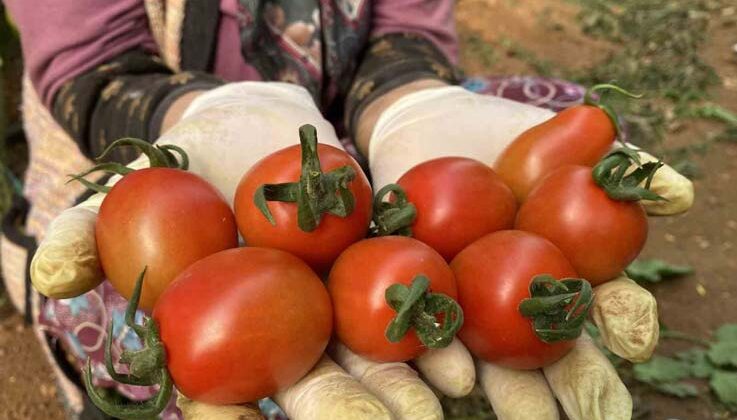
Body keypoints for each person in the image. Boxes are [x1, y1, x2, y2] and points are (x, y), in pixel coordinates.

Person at [2, 1, 693, 419]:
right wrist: (201, 113)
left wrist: (408, 103)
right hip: (175, 138)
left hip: (340, 162)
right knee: (112, 290)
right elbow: (93, 61)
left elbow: (405, 36)